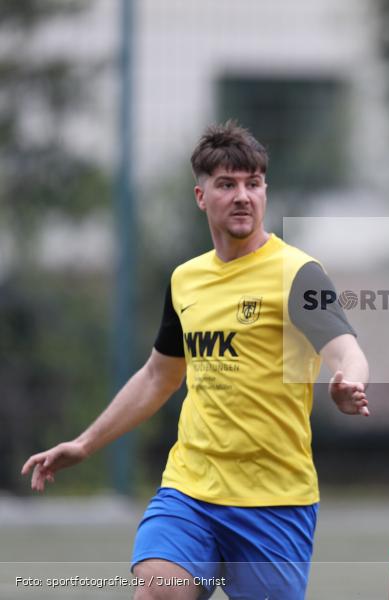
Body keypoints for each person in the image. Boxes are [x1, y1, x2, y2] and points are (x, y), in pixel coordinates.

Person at [21, 121, 370, 600]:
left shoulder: (299, 274)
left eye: (253, 183)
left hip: (275, 501)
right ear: (201, 196)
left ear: (265, 191)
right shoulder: (186, 280)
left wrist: (350, 381)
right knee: (159, 589)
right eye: (227, 184)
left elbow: (346, 348)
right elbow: (157, 376)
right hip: (191, 490)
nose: (243, 196)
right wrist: (85, 444)